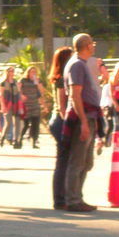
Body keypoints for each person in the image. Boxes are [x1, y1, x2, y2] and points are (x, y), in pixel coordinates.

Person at [62, 33, 102, 214]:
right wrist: (84, 122)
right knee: (78, 160)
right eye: (91, 43)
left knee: (86, 162)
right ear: (86, 45)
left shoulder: (81, 64)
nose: (93, 45)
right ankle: (73, 199)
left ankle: (77, 196)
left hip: (90, 115)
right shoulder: (77, 65)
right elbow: (75, 94)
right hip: (82, 116)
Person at [48, 45, 74, 210]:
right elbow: (62, 106)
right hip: (61, 122)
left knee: (65, 160)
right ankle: (59, 199)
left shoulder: (64, 77)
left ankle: (64, 196)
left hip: (60, 121)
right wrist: (69, 125)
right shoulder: (60, 79)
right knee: (63, 161)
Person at [17, 67, 43, 148]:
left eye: (35, 72)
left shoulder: (37, 81)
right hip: (26, 105)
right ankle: (19, 140)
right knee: (25, 124)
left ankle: (34, 142)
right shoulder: (23, 80)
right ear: (28, 73)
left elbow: (41, 92)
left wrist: (37, 83)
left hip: (35, 105)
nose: (33, 73)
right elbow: (17, 89)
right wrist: (21, 95)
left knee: (36, 124)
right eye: (32, 72)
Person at [0, 66, 21, 147]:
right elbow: (1, 95)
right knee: (8, 122)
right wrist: (3, 106)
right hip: (7, 104)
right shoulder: (3, 83)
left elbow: (18, 93)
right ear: (6, 72)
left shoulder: (15, 81)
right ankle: (2, 138)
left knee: (17, 122)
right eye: (10, 71)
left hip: (15, 104)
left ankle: (16, 141)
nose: (12, 72)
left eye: (13, 71)